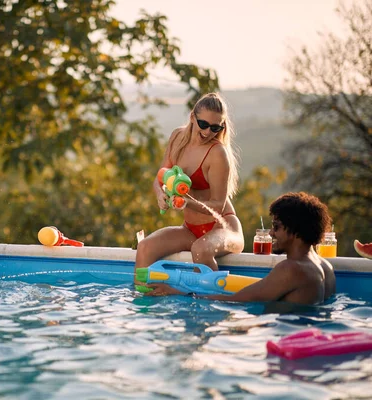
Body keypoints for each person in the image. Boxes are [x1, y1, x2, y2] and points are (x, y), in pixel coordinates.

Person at [146, 192, 336, 305]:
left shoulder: (292, 269)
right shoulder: (326, 268)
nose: (270, 233)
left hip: (287, 340)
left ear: (295, 232)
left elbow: (238, 300)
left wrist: (177, 293)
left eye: (276, 227)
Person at [135, 92, 244, 280]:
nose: (209, 132)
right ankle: (143, 302)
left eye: (216, 127)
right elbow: (161, 176)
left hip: (224, 227)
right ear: (192, 117)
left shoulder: (217, 154)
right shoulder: (178, 137)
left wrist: (187, 203)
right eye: (204, 124)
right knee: (145, 247)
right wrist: (160, 195)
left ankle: (212, 305)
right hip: (190, 230)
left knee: (201, 250)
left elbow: (218, 205)